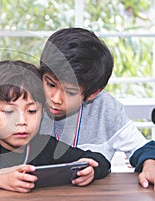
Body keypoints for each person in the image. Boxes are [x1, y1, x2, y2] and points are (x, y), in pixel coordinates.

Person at [0, 60, 110, 193]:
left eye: (32, 111)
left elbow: (99, 159)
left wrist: (91, 169)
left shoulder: (46, 146)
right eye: (9, 112)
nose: (21, 121)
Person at [38, 27, 155, 190]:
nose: (55, 99)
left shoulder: (105, 108)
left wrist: (150, 164)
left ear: (92, 94)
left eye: (70, 92)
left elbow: (143, 148)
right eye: (50, 84)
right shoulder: (25, 101)